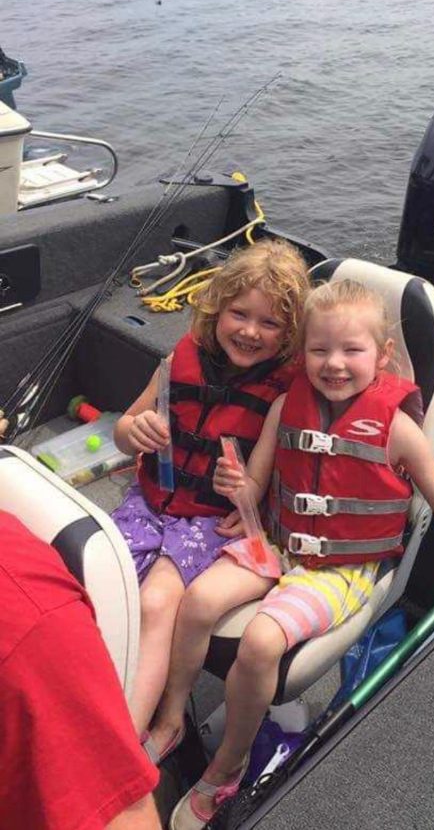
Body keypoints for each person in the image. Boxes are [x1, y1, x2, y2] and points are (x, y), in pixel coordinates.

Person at [160, 278, 434, 829]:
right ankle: (172, 714)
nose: (334, 364)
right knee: (196, 601)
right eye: (319, 350)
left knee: (262, 641)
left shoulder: (398, 429)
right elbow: (255, 486)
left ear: (383, 357)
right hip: (276, 545)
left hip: (342, 569)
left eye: (351, 351)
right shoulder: (286, 406)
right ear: (303, 352)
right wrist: (236, 485)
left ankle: (228, 765)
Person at [111, 239, 310, 748]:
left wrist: (240, 488)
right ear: (217, 308)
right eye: (239, 313)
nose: (249, 331)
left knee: (158, 601)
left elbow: (262, 492)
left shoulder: (282, 393)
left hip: (205, 523)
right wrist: (134, 432)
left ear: (289, 335)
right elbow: (125, 427)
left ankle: (124, 738)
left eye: (269, 324)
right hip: (149, 501)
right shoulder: (181, 358)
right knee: (98, 575)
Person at [0, 510, 161, 830]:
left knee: (161, 603)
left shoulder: (28, 625)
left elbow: (124, 816)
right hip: (148, 518)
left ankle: (167, 730)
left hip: (201, 531)